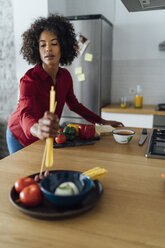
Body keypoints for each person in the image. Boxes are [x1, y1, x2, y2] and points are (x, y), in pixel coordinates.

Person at [6, 14, 123, 155]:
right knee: (24, 176)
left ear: (63, 47)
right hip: (20, 135)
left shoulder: (65, 77)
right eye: (43, 45)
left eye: (54, 43)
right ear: (37, 49)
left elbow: (74, 105)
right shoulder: (29, 80)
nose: (48, 48)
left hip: (44, 135)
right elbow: (25, 114)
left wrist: (102, 121)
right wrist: (37, 129)